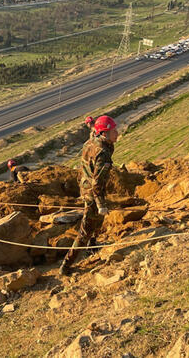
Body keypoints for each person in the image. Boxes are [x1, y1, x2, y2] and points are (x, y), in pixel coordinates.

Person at [59, 115, 118, 276]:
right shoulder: (102, 153)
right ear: (104, 134)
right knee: (85, 229)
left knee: (97, 221)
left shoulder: (91, 142)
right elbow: (97, 183)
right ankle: (66, 265)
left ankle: (92, 246)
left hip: (84, 186)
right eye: (113, 131)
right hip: (93, 193)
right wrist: (100, 204)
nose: (117, 133)